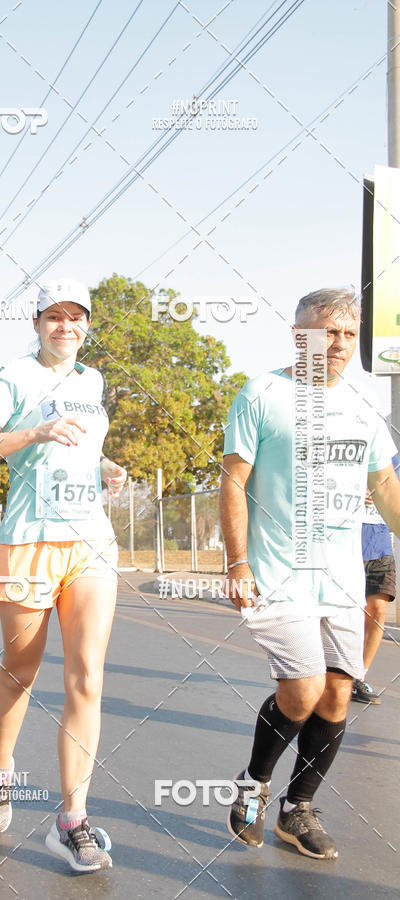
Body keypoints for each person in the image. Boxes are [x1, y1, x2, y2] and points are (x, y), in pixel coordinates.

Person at [220, 288, 400, 860]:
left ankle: (298, 809)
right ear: (300, 334)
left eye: (348, 333)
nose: (338, 344)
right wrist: (237, 562)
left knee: (339, 694)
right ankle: (253, 783)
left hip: (341, 576)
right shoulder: (263, 393)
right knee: (302, 692)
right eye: (326, 332)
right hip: (277, 571)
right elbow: (233, 480)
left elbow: (383, 485)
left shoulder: (363, 403)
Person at [0, 277, 127, 873]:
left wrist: (106, 466)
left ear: (86, 325)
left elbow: (78, 449)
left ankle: (72, 819)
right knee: (22, 670)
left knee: (87, 677)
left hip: (90, 543)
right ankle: (1, 770)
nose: (66, 327)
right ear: (36, 324)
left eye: (76, 317)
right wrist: (33, 431)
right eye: (54, 317)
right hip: (27, 542)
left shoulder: (93, 381)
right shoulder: (13, 377)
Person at [354, 452, 400, 703]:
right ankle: (328, 672)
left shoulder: (395, 461)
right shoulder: (348, 450)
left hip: (380, 544)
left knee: (378, 609)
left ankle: (357, 676)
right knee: (341, 614)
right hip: (344, 544)